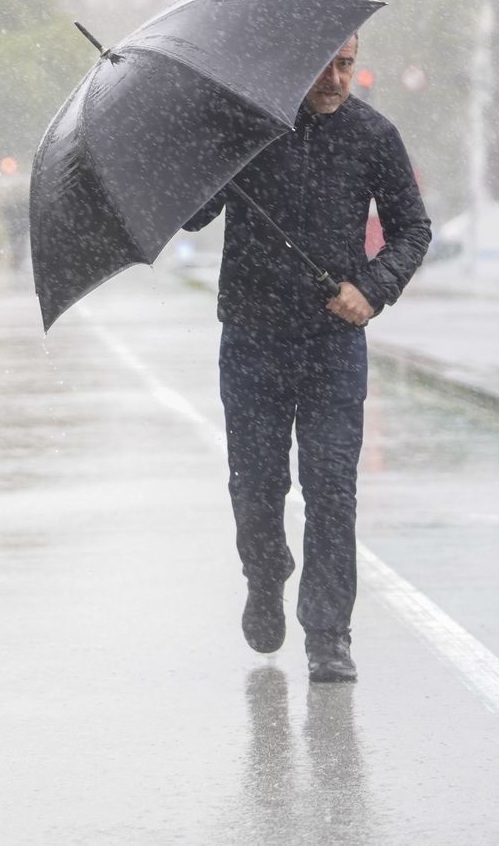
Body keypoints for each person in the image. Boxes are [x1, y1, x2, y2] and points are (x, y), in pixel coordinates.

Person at [182, 34, 431, 683]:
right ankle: (265, 578)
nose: (336, 78)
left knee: (332, 490)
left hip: (332, 342)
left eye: (346, 64)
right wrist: (212, 145)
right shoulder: (252, 130)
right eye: (323, 64)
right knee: (257, 485)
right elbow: (194, 216)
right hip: (251, 338)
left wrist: (373, 291)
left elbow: (413, 228)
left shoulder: (373, 134)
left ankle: (328, 634)